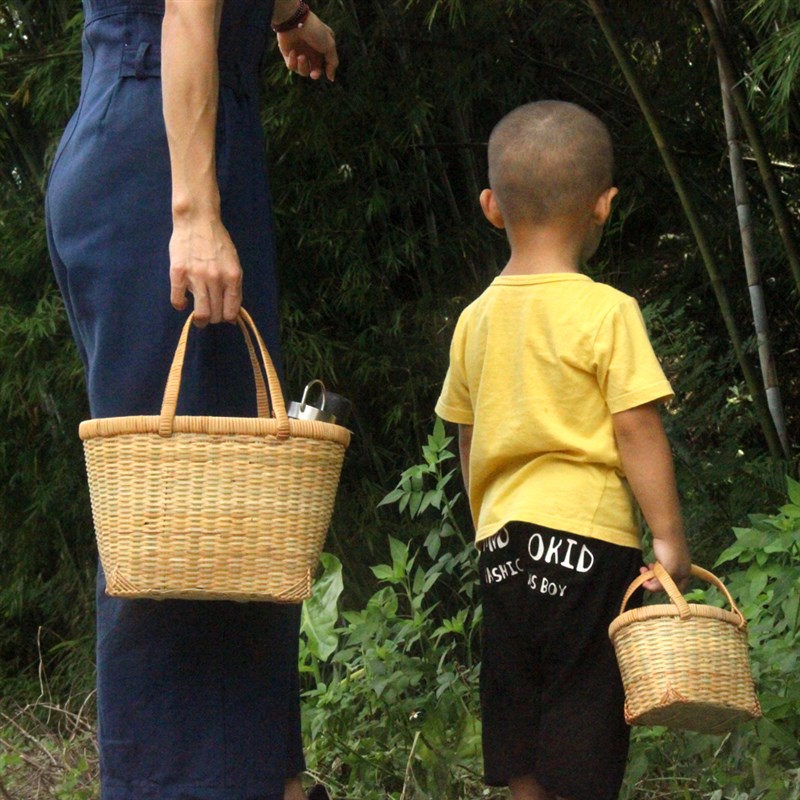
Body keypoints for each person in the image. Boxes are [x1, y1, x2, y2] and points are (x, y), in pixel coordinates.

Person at [45, 1, 337, 798]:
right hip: (164, 157)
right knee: (178, 531)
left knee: (229, 520)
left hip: (176, 136)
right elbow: (184, 13)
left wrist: (287, 16)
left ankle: (252, 778)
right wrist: (195, 213)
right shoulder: (183, 187)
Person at [434, 100, 691, 800]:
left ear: (491, 206)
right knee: (584, 710)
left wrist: (487, 519)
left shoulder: (474, 320)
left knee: (518, 708)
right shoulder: (607, 311)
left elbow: (468, 437)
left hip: (503, 544)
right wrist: (668, 541)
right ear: (604, 205)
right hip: (589, 544)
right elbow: (635, 429)